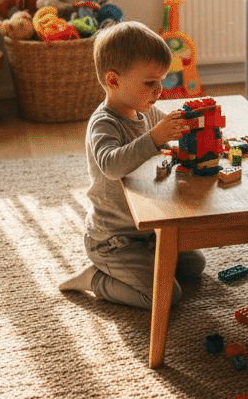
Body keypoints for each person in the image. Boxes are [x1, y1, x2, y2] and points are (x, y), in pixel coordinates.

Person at [59, 21, 206, 308]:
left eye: (161, 81)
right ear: (113, 81)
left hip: (149, 234)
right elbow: (112, 165)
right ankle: (96, 280)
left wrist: (189, 124)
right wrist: (155, 138)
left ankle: (146, 263)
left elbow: (167, 127)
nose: (159, 90)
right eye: (150, 83)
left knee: (194, 265)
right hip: (114, 241)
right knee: (166, 295)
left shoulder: (145, 112)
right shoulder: (104, 123)